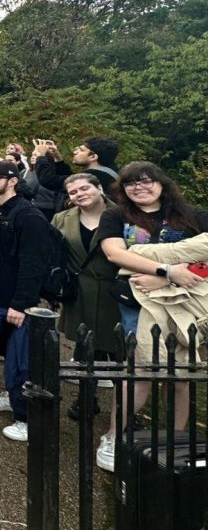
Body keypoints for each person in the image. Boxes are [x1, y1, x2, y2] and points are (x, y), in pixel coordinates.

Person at [95, 161, 208, 471]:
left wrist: (163, 275)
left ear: (161, 183)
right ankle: (114, 436)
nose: (138, 187)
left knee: (180, 375)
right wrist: (169, 269)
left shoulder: (191, 215)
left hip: (183, 303)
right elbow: (115, 253)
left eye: (145, 181)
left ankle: (177, 440)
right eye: (131, 183)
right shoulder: (116, 215)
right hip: (136, 303)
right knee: (139, 372)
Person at [0, 161, 53, 443]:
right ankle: (12, 396)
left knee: (22, 361)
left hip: (19, 302)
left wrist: (21, 304)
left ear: (12, 181)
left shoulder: (28, 216)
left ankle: (27, 418)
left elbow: (33, 265)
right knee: (9, 355)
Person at [51, 173, 119, 421]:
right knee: (85, 350)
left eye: (84, 188)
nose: (79, 194)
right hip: (81, 291)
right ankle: (86, 398)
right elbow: (53, 252)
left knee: (121, 352)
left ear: (99, 188)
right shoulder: (62, 218)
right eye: (73, 192)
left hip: (117, 290)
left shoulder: (123, 215)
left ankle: (125, 408)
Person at [34, 137, 119, 194]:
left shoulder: (95, 177)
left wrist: (41, 156)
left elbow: (50, 181)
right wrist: (57, 157)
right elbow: (70, 178)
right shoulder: (106, 173)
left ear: (93, 157)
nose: (75, 152)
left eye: (81, 150)